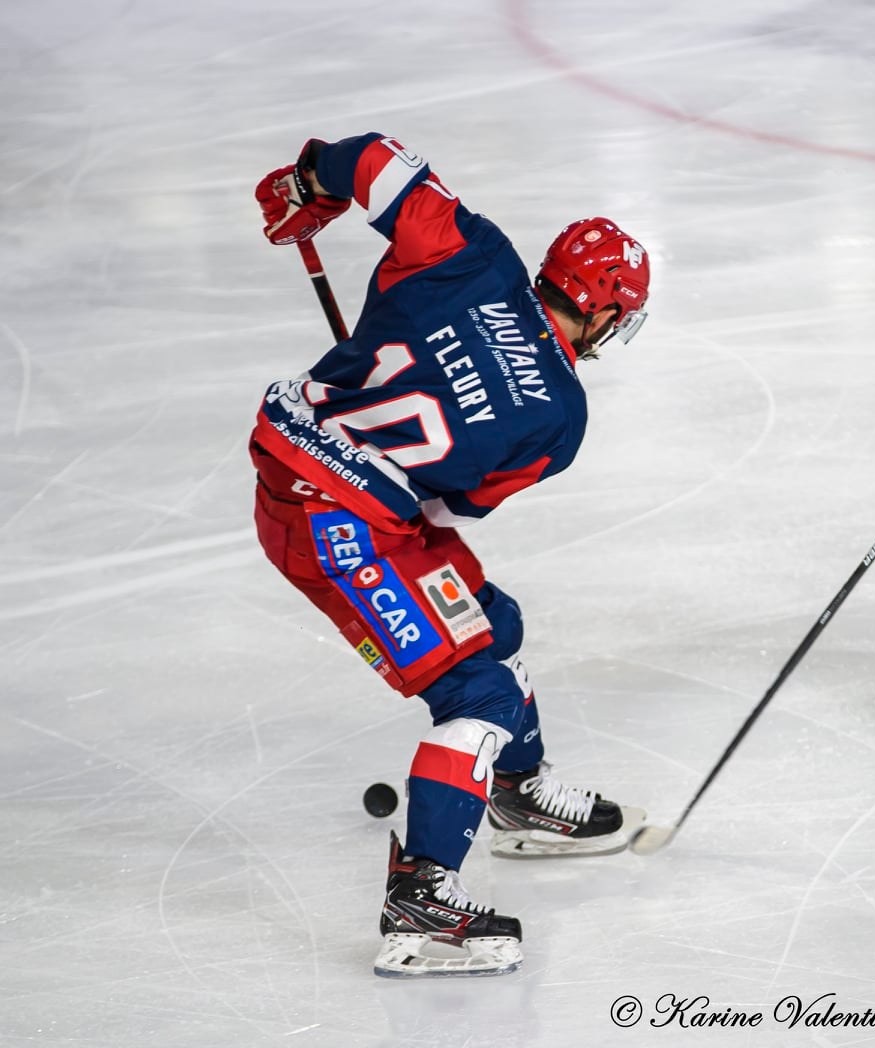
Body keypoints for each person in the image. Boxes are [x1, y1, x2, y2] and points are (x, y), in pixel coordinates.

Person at [248, 132, 651, 977]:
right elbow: (449, 506)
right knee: (478, 693)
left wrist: (308, 185)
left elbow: (369, 157)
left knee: (497, 626)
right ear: (606, 313)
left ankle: (516, 791)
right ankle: (422, 898)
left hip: (321, 479)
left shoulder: (475, 251)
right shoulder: (560, 419)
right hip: (335, 525)